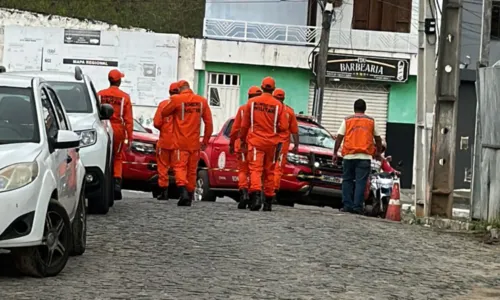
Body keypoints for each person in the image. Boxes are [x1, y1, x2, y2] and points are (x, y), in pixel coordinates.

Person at [239, 77, 289, 212]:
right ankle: (268, 201)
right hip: (272, 143)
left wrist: (242, 140)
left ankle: (255, 198)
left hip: (255, 142)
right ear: (273, 89)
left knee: (255, 169)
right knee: (270, 171)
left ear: (262, 87)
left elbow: (244, 125)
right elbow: (284, 126)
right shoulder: (279, 106)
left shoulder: (252, 102)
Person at [161, 80, 213, 206]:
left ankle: (183, 192)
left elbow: (164, 113)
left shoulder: (177, 100)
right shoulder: (202, 101)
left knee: (180, 168)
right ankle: (189, 195)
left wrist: (173, 101)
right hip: (195, 143)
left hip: (180, 142)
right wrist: (205, 140)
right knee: (192, 170)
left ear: (179, 89)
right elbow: (209, 123)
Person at [332, 99, 382, 214]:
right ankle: (357, 207)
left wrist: (335, 153)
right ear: (365, 109)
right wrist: (378, 152)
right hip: (364, 157)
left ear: (354, 108)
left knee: (347, 180)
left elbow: (339, 137)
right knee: (361, 182)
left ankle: (347, 206)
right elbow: (378, 138)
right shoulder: (371, 122)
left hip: (349, 156)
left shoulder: (347, 120)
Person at [98, 69, 133, 200]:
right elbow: (128, 120)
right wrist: (130, 137)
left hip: (103, 127)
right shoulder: (125, 97)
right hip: (118, 128)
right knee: (117, 157)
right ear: (119, 81)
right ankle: (117, 184)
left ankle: (104, 183)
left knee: (104, 157)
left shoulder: (100, 94)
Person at [229, 86, 262, 209]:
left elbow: (235, 129)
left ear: (248, 96)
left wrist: (232, 143)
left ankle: (244, 195)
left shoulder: (243, 109)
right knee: (255, 171)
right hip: (256, 145)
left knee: (243, 171)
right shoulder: (261, 110)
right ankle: (255, 197)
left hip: (243, 144)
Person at [153, 82, 180, 200]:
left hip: (164, 141)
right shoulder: (183, 106)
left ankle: (164, 192)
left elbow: (157, 123)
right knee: (179, 167)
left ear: (169, 92)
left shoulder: (163, 105)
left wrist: (165, 129)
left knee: (163, 167)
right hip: (178, 142)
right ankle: (182, 191)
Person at [272, 88, 299, 197]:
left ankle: (262, 190)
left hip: (269, 142)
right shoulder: (289, 111)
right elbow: (295, 130)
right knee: (278, 168)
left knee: (266, 166)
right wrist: (296, 145)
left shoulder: (270, 108)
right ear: (283, 98)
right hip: (282, 144)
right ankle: (272, 191)